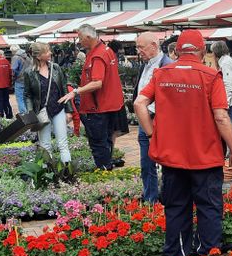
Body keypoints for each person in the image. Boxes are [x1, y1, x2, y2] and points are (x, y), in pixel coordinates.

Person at [133, 29, 232, 256]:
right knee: (209, 209)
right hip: (206, 157)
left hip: (172, 158)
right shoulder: (212, 76)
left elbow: (140, 103)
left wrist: (152, 135)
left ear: (178, 51)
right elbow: (221, 116)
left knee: (176, 208)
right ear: (203, 51)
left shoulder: (161, 73)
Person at [58, 24, 126, 170]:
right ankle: (107, 170)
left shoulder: (97, 55)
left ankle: (104, 171)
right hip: (110, 105)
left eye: (81, 38)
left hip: (98, 107)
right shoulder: (106, 50)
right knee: (106, 140)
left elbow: (97, 83)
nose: (79, 41)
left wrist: (75, 91)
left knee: (98, 142)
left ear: (88, 37)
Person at [134, 32, 173, 203]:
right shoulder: (146, 65)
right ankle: (150, 199)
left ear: (154, 46)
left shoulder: (168, 65)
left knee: (167, 162)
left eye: (141, 47)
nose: (138, 51)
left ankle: (167, 197)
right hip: (145, 119)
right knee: (146, 163)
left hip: (161, 120)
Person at [23, 42, 72, 164]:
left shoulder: (56, 68)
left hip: (58, 109)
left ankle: (67, 171)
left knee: (63, 143)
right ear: (38, 56)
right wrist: (31, 113)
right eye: (46, 52)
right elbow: (27, 95)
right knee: (45, 145)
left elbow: (64, 89)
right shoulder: (29, 73)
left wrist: (68, 110)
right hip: (41, 112)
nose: (50, 53)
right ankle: (47, 174)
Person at [10, 44, 31, 116]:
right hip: (28, 80)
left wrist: (12, 79)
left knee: (20, 98)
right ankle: (28, 113)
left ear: (13, 51)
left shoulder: (16, 57)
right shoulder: (27, 57)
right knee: (26, 98)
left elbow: (13, 70)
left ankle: (23, 114)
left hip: (19, 80)